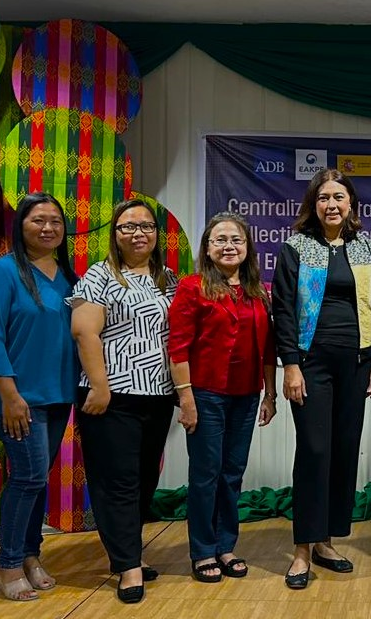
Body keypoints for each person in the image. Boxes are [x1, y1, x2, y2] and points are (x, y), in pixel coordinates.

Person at [271, 169, 371, 590]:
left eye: (339, 197)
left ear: (351, 203)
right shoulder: (296, 248)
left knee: (342, 451)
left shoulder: (366, 249)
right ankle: (302, 549)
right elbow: (282, 309)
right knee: (315, 451)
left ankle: (326, 541)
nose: (332, 204)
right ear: (313, 204)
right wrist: (291, 364)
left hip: (356, 363)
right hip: (311, 362)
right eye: (324, 198)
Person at [0, 192, 79, 602]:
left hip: (58, 393)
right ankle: (6, 563)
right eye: (37, 220)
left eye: (54, 221)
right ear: (21, 226)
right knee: (29, 475)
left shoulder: (68, 274)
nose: (47, 228)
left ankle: (31, 555)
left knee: (36, 479)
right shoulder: (2, 272)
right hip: (14, 396)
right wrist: (10, 395)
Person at [69, 199, 179, 604]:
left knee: (145, 477)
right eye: (127, 227)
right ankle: (128, 566)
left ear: (156, 234)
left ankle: (126, 554)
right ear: (114, 234)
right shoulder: (99, 276)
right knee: (117, 481)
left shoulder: (168, 277)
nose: (138, 233)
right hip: (110, 395)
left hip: (158, 395)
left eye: (146, 226)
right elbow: (84, 332)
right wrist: (99, 386)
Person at [168, 212, 277, 583]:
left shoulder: (258, 291)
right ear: (208, 247)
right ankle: (202, 550)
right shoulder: (191, 287)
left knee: (232, 474)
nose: (229, 246)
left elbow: (267, 350)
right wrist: (186, 399)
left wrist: (270, 395)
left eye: (237, 240)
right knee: (206, 475)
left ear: (247, 248)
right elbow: (178, 349)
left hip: (247, 396)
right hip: (205, 395)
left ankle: (226, 545)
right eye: (220, 240)